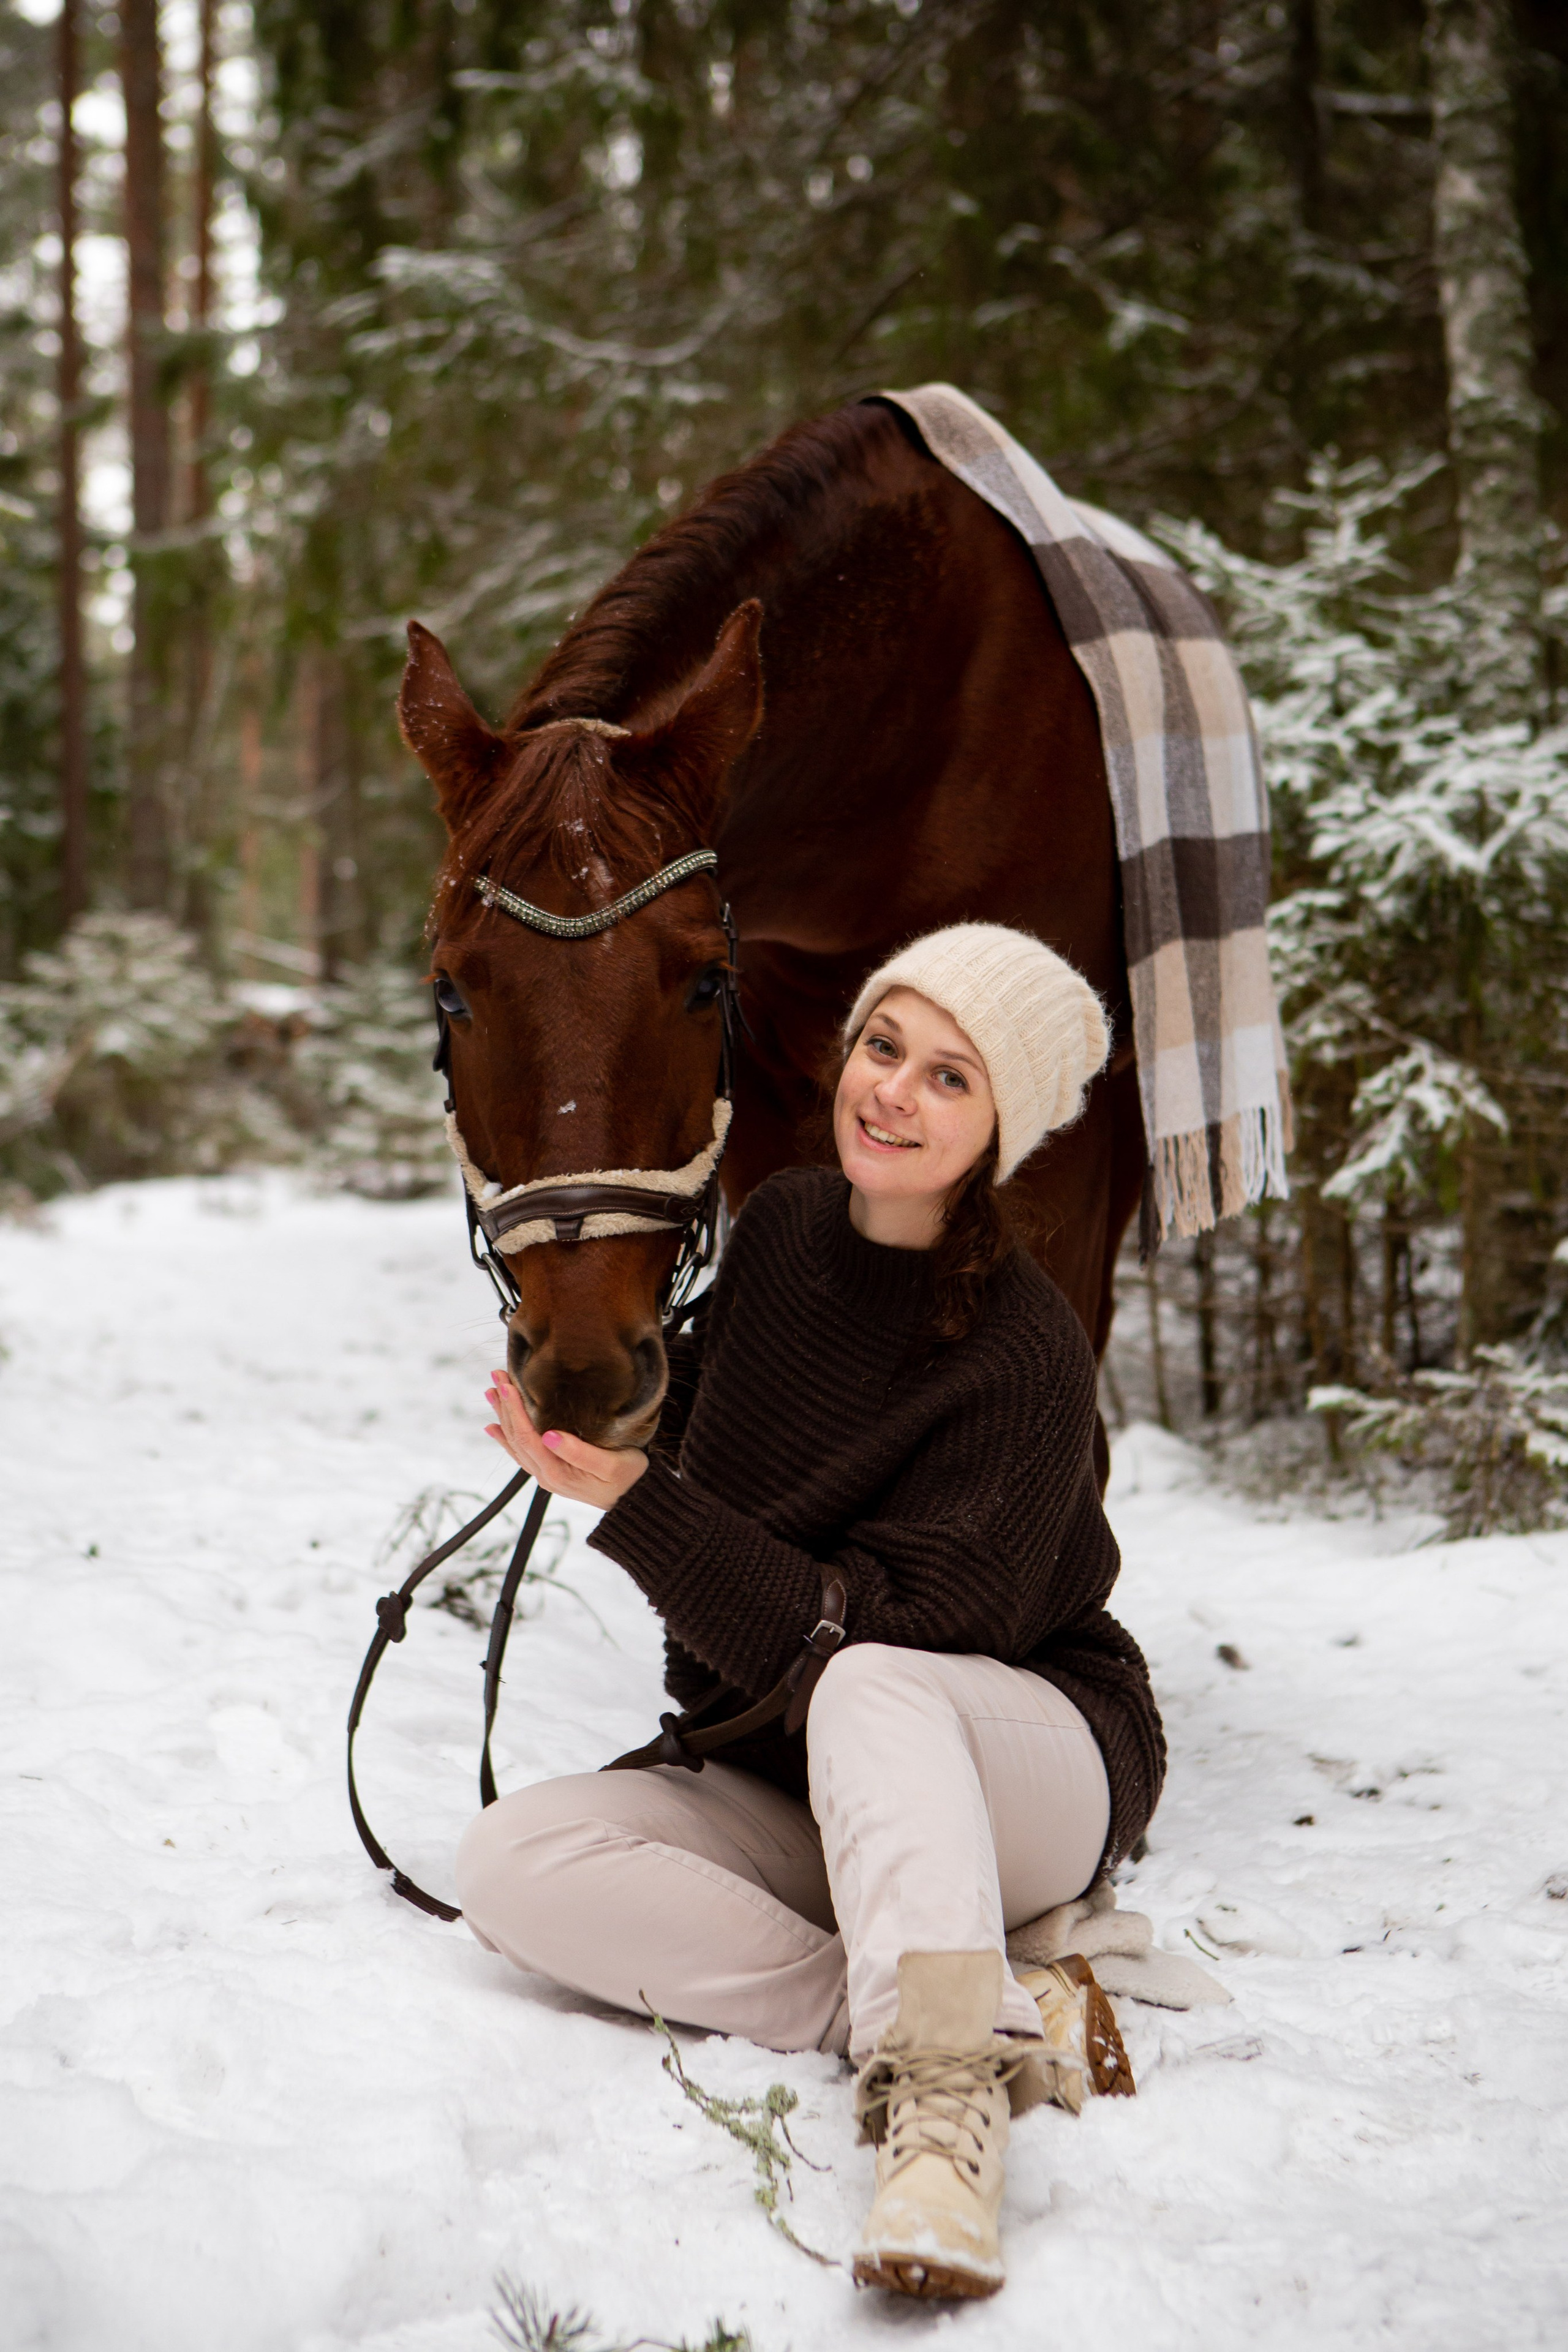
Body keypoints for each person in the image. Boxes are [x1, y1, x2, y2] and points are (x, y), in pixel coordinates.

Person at [458, 922, 1166, 2300]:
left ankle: (944, 2115)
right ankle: (945, 1994)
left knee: (870, 1679)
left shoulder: (1025, 1350)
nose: (891, 1091)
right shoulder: (778, 1230)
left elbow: (882, 1636)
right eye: (882, 1046)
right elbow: (720, 1503)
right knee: (512, 1859)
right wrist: (601, 1436)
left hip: (1029, 1754)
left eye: (949, 1078)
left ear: (1000, 1125)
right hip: (795, 1756)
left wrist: (637, 1509)